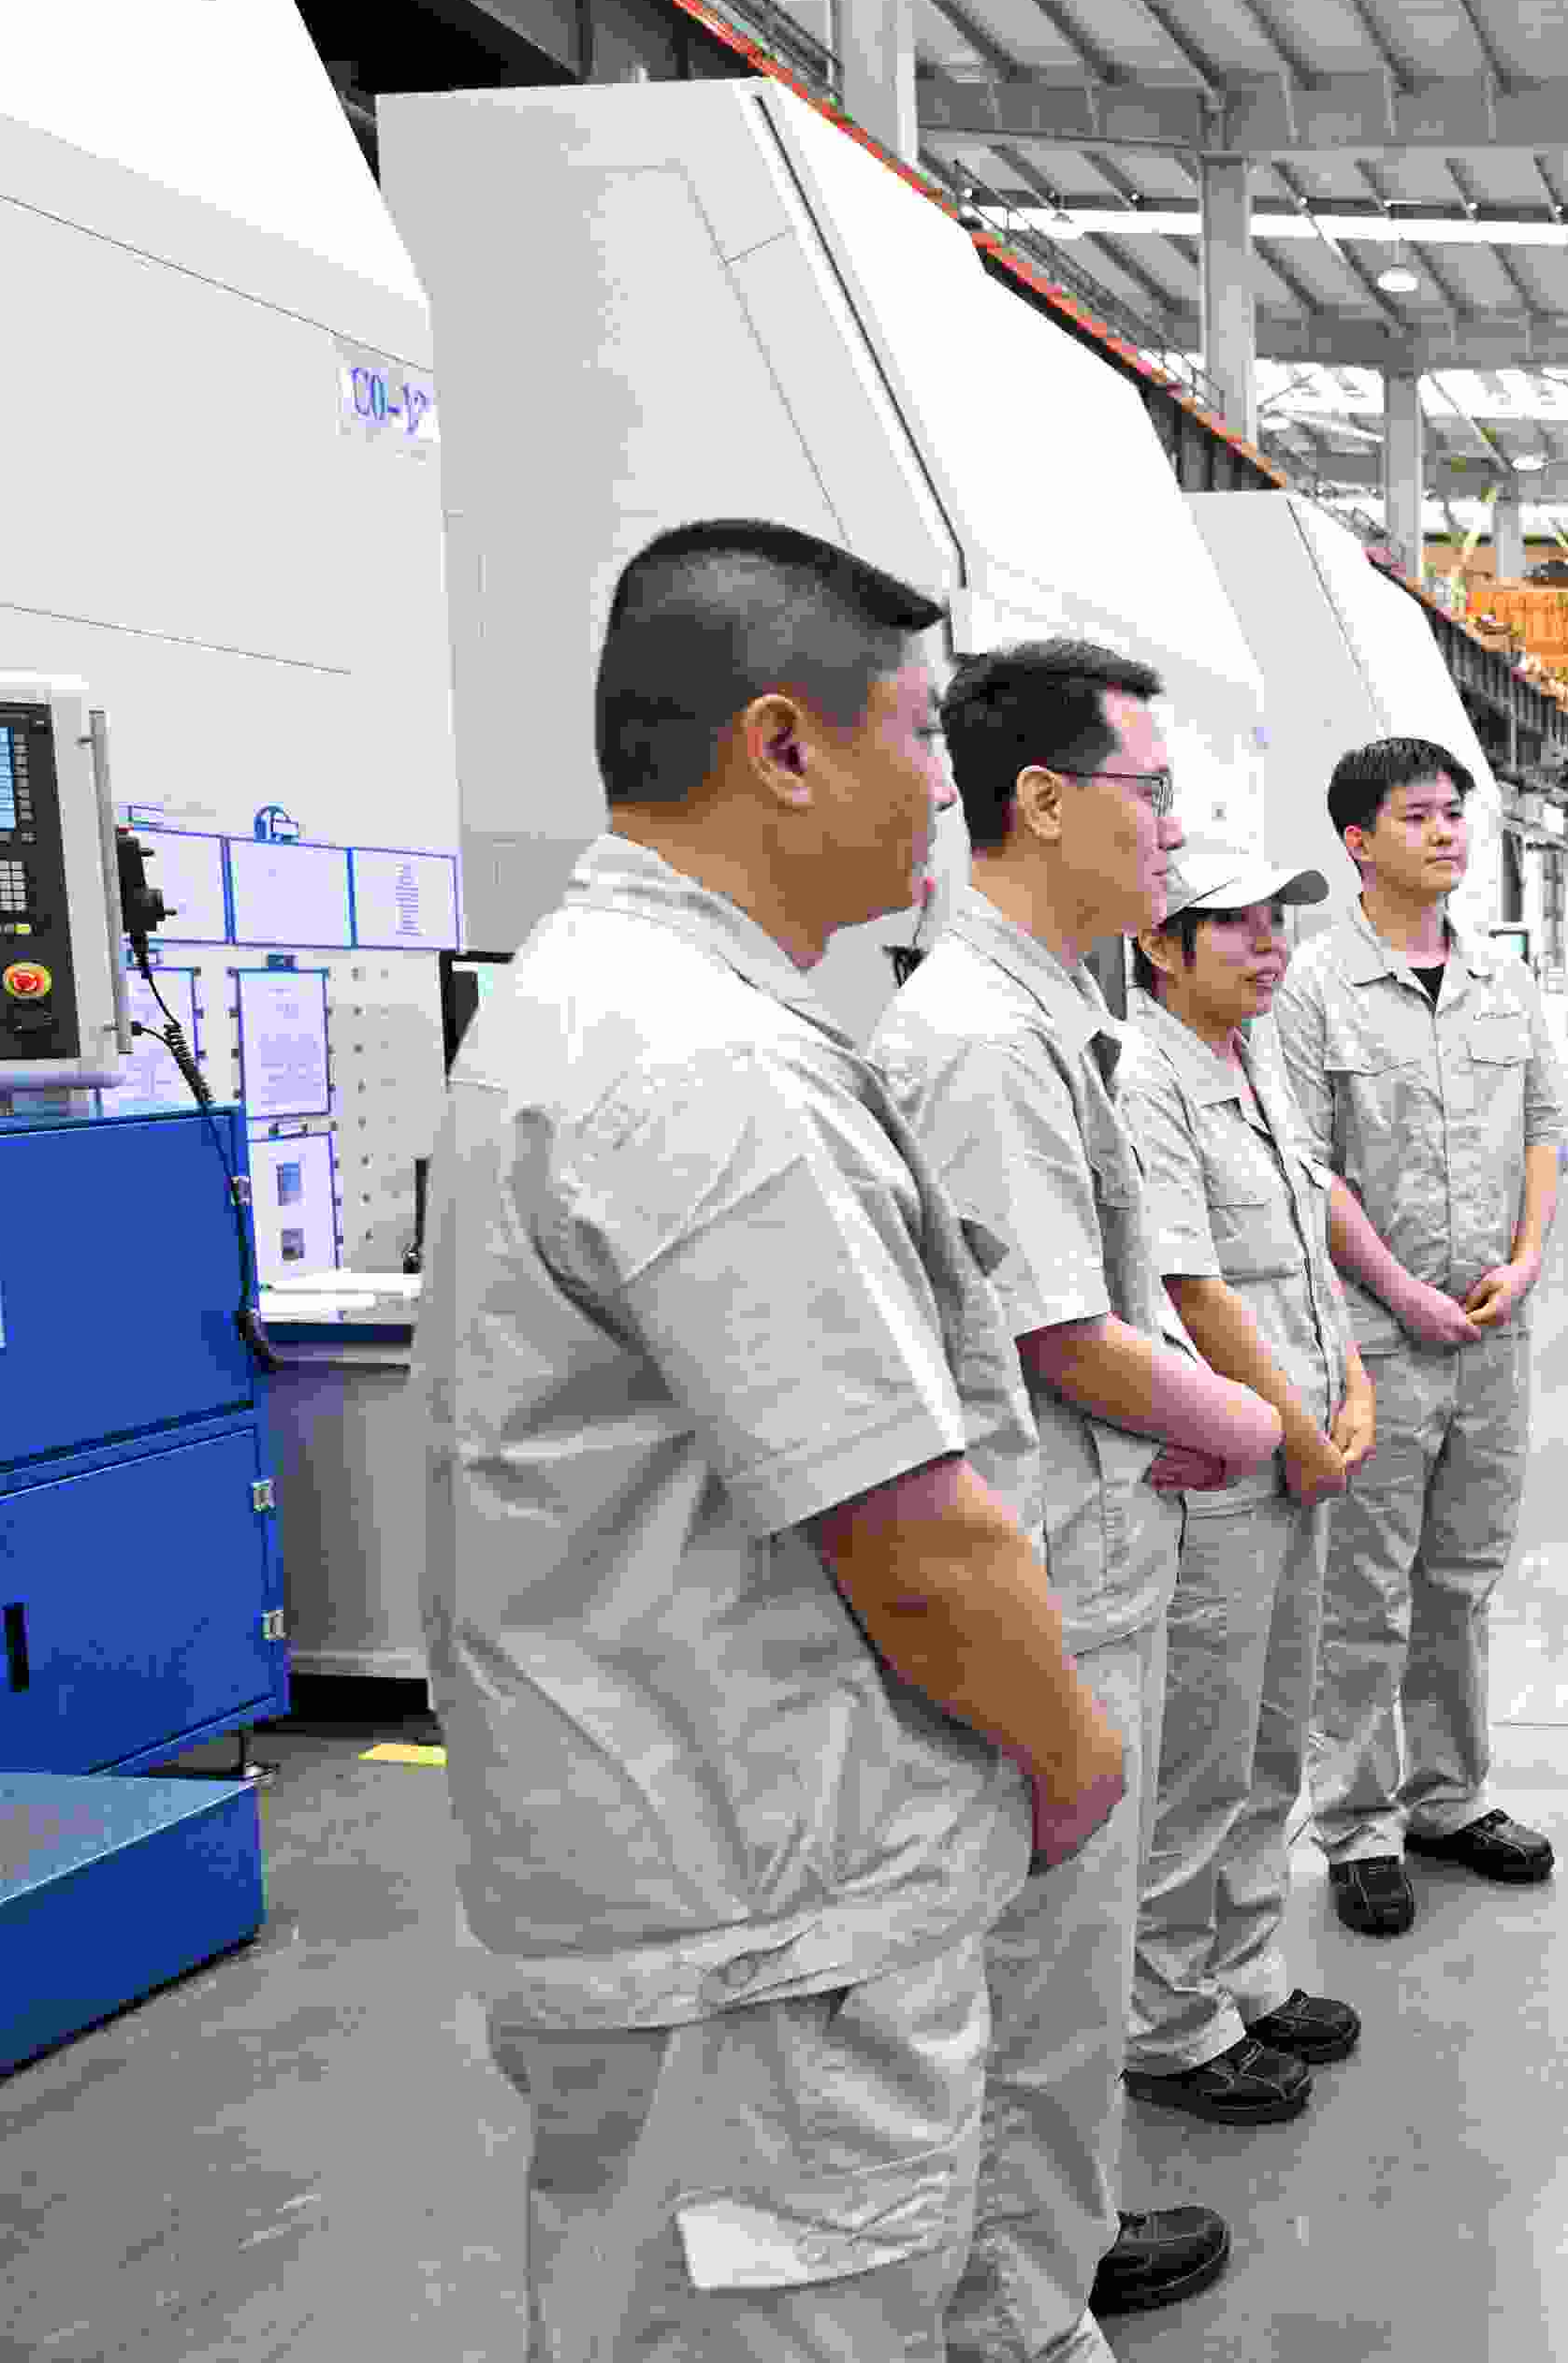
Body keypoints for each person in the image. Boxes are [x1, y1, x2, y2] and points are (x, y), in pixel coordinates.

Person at [420, 519, 1125, 2357]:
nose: (941, 790)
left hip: (678, 1861)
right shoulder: (712, 1067)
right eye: (918, 734)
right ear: (784, 746)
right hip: (762, 1917)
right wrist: (1069, 1751)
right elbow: (916, 1536)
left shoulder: (597, 1001)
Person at [868, 638, 1292, 2355]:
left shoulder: (1055, 1012)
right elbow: (1063, 1332)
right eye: (1154, 793)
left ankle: (1055, 2239)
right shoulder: (982, 1039)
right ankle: (1020, 2320)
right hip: (1054, 1566)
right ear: (1043, 802)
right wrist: (1248, 1424)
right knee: (1043, 1979)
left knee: (1076, 1961)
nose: (1174, 832)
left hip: (1099, 1540)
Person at [1277, 735, 1567, 1938]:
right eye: (1419, 816)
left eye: (1456, 813)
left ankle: (1449, 1797)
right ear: (1359, 840)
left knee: (1460, 1580)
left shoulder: (1502, 978)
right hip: (1378, 1343)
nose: (1448, 833)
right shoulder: (1311, 988)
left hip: (1492, 1335)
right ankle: (1358, 1823)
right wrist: (1401, 1294)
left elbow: (1544, 1126)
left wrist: (1528, 1258)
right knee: (1364, 1590)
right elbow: (1309, 1167)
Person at [1119, 853, 1380, 2124]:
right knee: (1203, 1749)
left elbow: (1304, 1242)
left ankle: (1243, 1971)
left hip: (1301, 1441)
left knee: (1277, 1730)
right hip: (1225, 1464)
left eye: (1279, 924)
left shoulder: (1255, 1055)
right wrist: (1292, 1430)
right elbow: (1193, 1286)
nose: (1271, 946)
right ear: (1163, 946)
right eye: (1238, 927)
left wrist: (1354, 1383)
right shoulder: (1145, 1076)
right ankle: (1168, 2022)